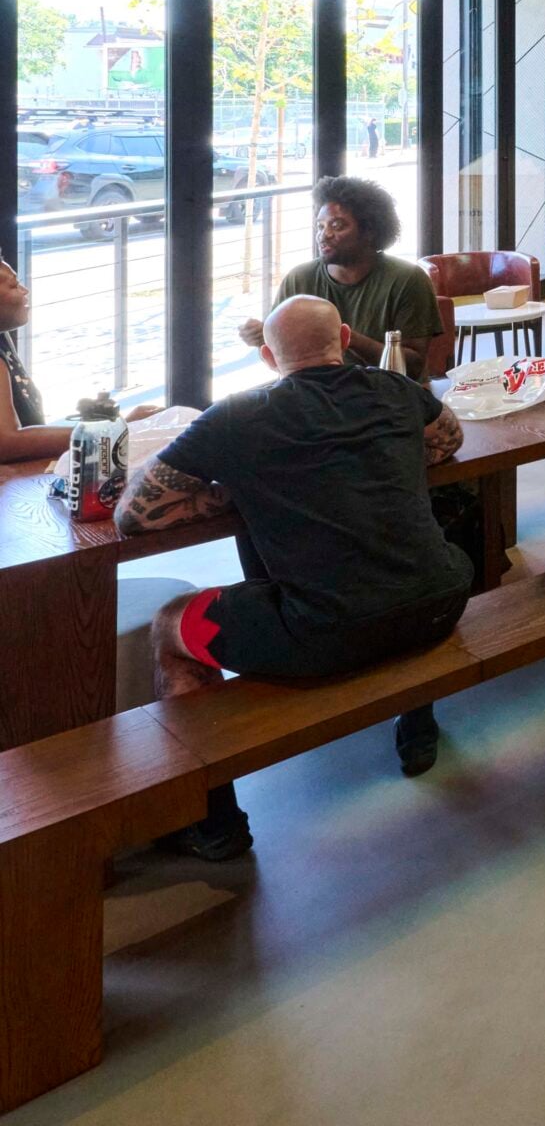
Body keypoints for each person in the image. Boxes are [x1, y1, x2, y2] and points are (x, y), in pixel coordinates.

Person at [118, 295, 473, 856]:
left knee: (170, 625)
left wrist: (231, 490)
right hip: (440, 603)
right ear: (345, 336)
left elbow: (133, 515)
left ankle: (213, 820)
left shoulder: (238, 417)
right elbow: (449, 441)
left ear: (266, 355)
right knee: (399, 570)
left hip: (326, 633)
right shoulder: (396, 390)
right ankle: (417, 719)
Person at [242, 176, 440, 379]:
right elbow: (281, 362)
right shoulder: (299, 279)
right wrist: (263, 339)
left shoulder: (407, 280)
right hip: (315, 394)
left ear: (369, 231)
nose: (323, 235)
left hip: (386, 397)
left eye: (337, 226)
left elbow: (413, 365)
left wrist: (347, 337)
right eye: (320, 226)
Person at [0, 257, 73, 461]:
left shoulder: (2, 335)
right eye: (14, 285)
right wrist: (105, 433)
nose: (25, 290)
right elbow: (5, 443)